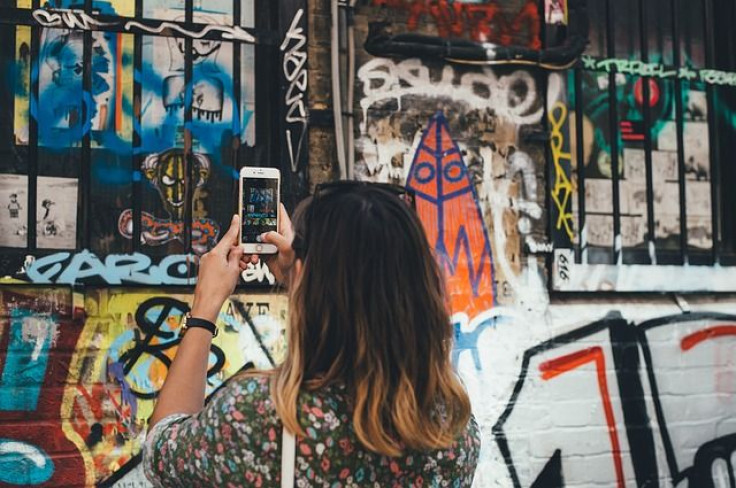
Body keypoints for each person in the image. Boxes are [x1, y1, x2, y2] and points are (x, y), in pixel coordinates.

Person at [142, 182, 480, 487]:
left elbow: (160, 452)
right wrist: (304, 280)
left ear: (302, 272)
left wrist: (205, 307)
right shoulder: (451, 426)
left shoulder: (260, 416)